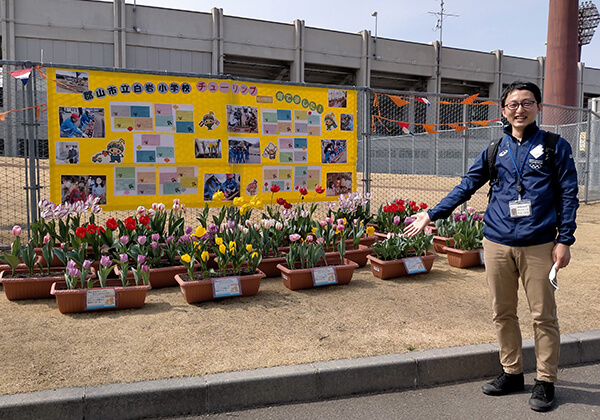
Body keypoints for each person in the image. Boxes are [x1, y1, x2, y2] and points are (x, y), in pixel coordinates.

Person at [404, 81, 579, 413]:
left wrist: (564, 240)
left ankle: (545, 380)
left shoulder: (555, 147)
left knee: (543, 316)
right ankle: (512, 372)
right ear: (504, 111)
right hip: (497, 241)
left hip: (539, 243)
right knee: (503, 312)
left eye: (527, 103)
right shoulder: (494, 149)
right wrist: (432, 213)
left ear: (538, 108)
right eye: (513, 104)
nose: (519, 110)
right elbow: (467, 185)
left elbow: (569, 195)